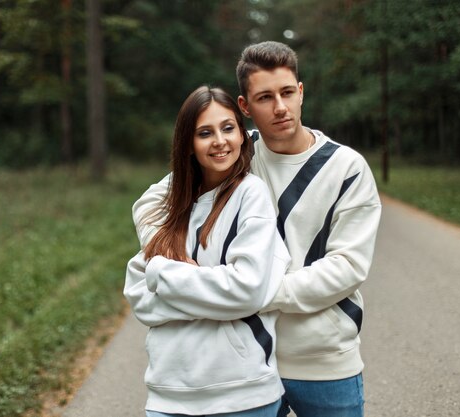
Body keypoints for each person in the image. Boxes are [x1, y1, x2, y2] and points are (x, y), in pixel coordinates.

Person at [133, 41, 382, 417]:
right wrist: (173, 258)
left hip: (322, 359)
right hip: (246, 363)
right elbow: (152, 202)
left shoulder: (347, 168)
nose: (280, 107)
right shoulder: (233, 151)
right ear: (246, 107)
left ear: (300, 92)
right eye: (265, 97)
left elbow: (347, 267)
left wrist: (247, 290)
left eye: (286, 93)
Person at [124, 85, 291, 417]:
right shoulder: (171, 206)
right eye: (204, 132)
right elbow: (138, 295)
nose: (219, 140)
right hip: (167, 394)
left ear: (243, 136)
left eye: (228, 128)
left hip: (241, 394)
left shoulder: (251, 195)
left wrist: (162, 273)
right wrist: (209, 295)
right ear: (188, 143)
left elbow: (245, 290)